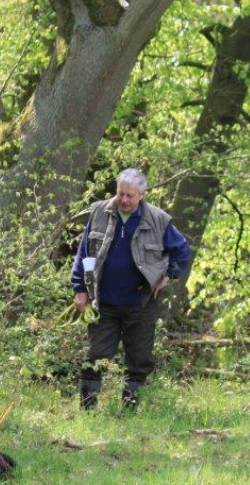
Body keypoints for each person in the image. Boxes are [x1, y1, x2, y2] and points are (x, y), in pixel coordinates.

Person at [71, 168, 192, 409]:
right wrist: (80, 289)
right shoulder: (99, 211)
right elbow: (84, 253)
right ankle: (87, 410)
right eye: (120, 194)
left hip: (142, 302)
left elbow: (183, 252)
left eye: (130, 196)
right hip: (103, 301)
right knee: (95, 355)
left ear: (142, 195)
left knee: (139, 359)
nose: (124, 200)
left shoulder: (159, 220)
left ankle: (130, 410)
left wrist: (169, 275)